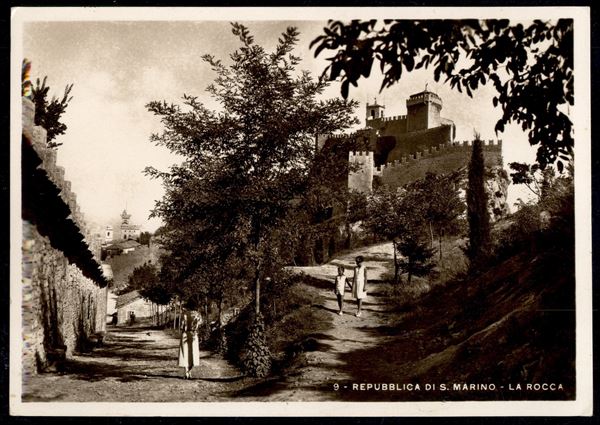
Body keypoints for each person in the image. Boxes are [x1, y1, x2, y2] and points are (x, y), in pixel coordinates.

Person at [178, 309, 201, 379]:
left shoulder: (184, 314)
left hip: (185, 334)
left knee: (185, 353)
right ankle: (189, 372)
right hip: (193, 334)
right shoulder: (197, 314)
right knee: (193, 353)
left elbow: (181, 326)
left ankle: (186, 372)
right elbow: (199, 325)